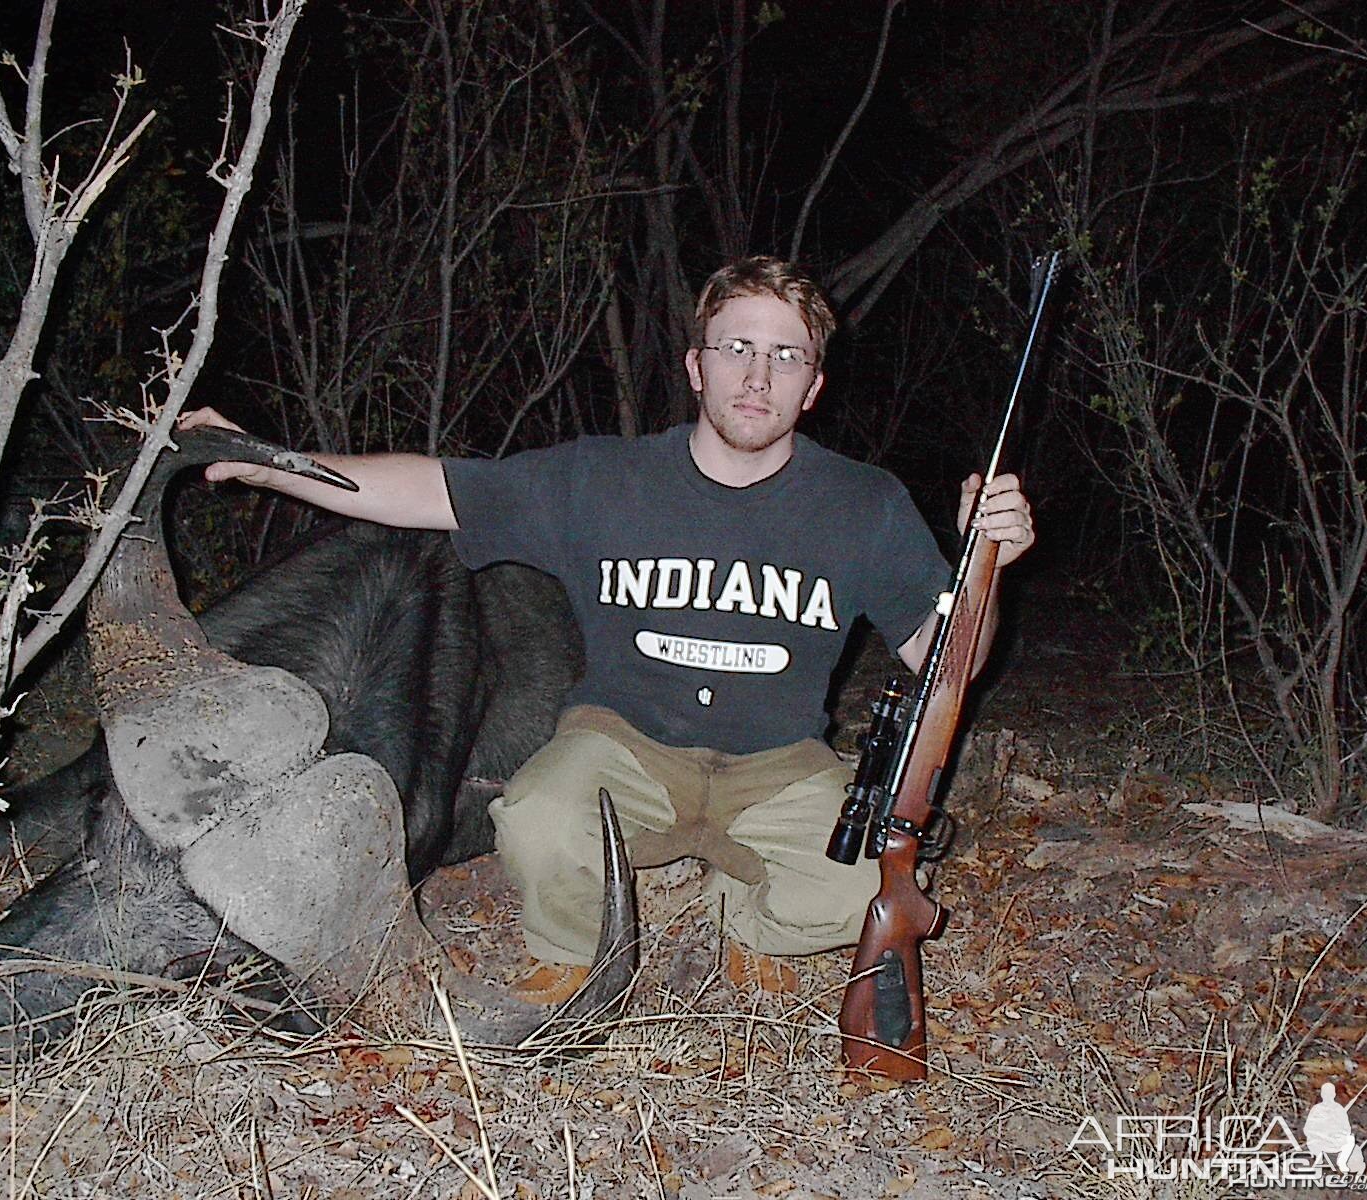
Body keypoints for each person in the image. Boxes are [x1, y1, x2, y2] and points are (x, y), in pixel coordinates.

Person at [179, 255, 1034, 1002]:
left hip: (780, 759)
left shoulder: (865, 503)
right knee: (539, 817)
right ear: (697, 366)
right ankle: (569, 956)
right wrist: (271, 461)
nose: (757, 376)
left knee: (868, 894)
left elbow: (944, 659)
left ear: (814, 385)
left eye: (786, 356)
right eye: (736, 347)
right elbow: (426, 489)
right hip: (623, 741)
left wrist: (983, 565)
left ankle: (733, 922)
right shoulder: (602, 479)